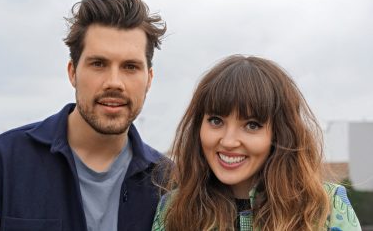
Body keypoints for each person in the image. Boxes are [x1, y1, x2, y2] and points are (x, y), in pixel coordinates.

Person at [0, 0, 167, 231]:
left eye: (130, 67)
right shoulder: (2, 163)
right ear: (72, 72)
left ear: (149, 79)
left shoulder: (170, 183)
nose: (114, 82)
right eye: (98, 64)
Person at [152, 55, 361, 230]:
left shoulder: (327, 207)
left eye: (252, 125)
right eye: (216, 121)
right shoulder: (173, 209)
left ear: (280, 133)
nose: (229, 141)